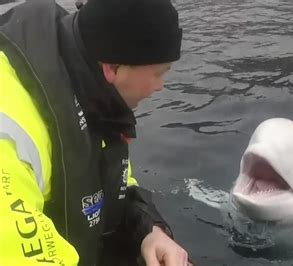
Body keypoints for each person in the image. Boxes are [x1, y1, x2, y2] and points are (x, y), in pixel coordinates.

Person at [0, 0, 191, 265]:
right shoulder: (11, 124)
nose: (160, 87)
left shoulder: (90, 86)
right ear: (113, 68)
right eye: (159, 73)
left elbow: (114, 180)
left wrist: (149, 231)